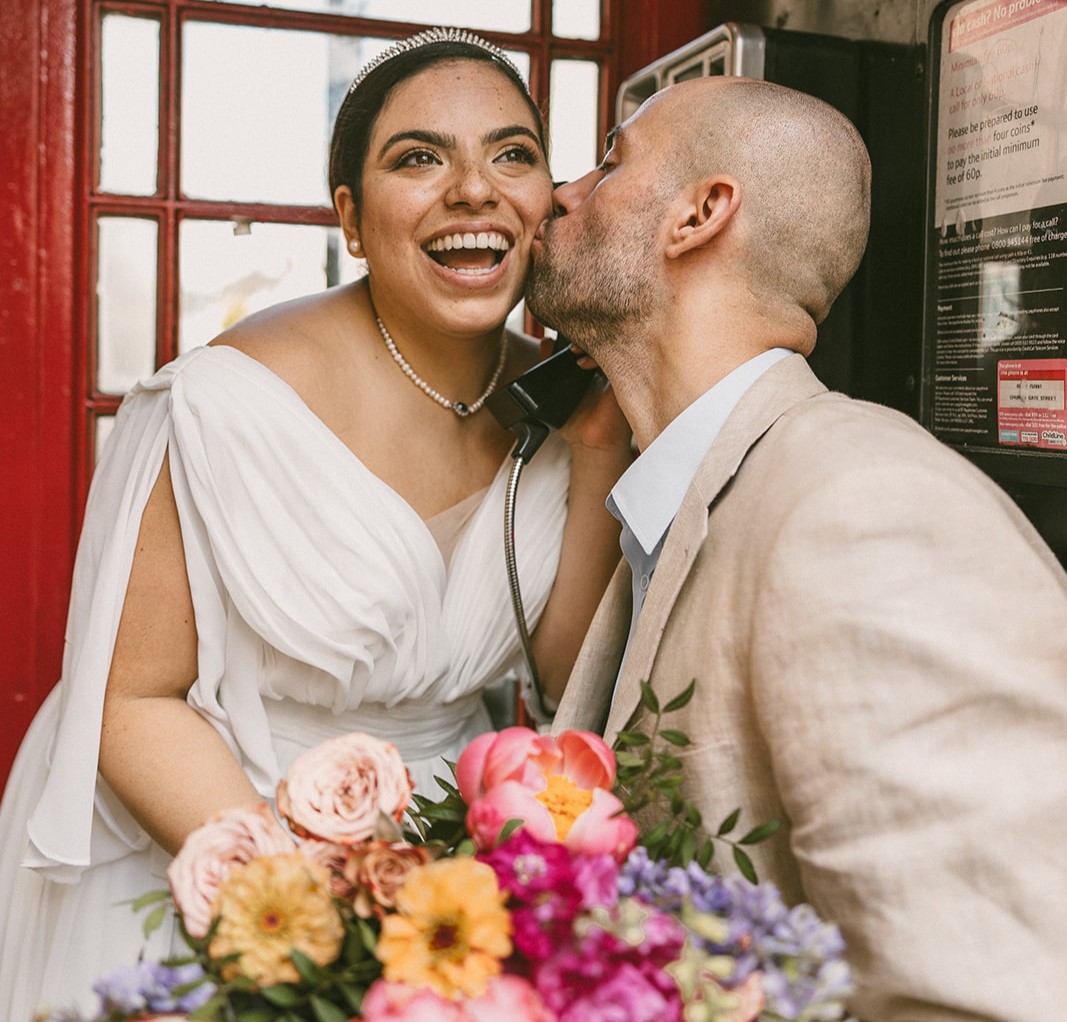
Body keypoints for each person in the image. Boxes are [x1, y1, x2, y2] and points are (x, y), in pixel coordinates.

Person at [0, 27, 631, 1018]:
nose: (473, 187)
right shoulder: (222, 402)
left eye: (510, 152)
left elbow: (556, 681)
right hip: (220, 837)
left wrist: (597, 449)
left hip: (443, 872)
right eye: (418, 157)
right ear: (349, 214)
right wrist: (301, 913)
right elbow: (128, 701)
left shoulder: (561, 407)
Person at [530, 75, 1067, 1021]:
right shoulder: (676, 500)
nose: (562, 192)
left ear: (699, 215)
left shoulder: (868, 510)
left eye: (610, 161)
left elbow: (995, 988)